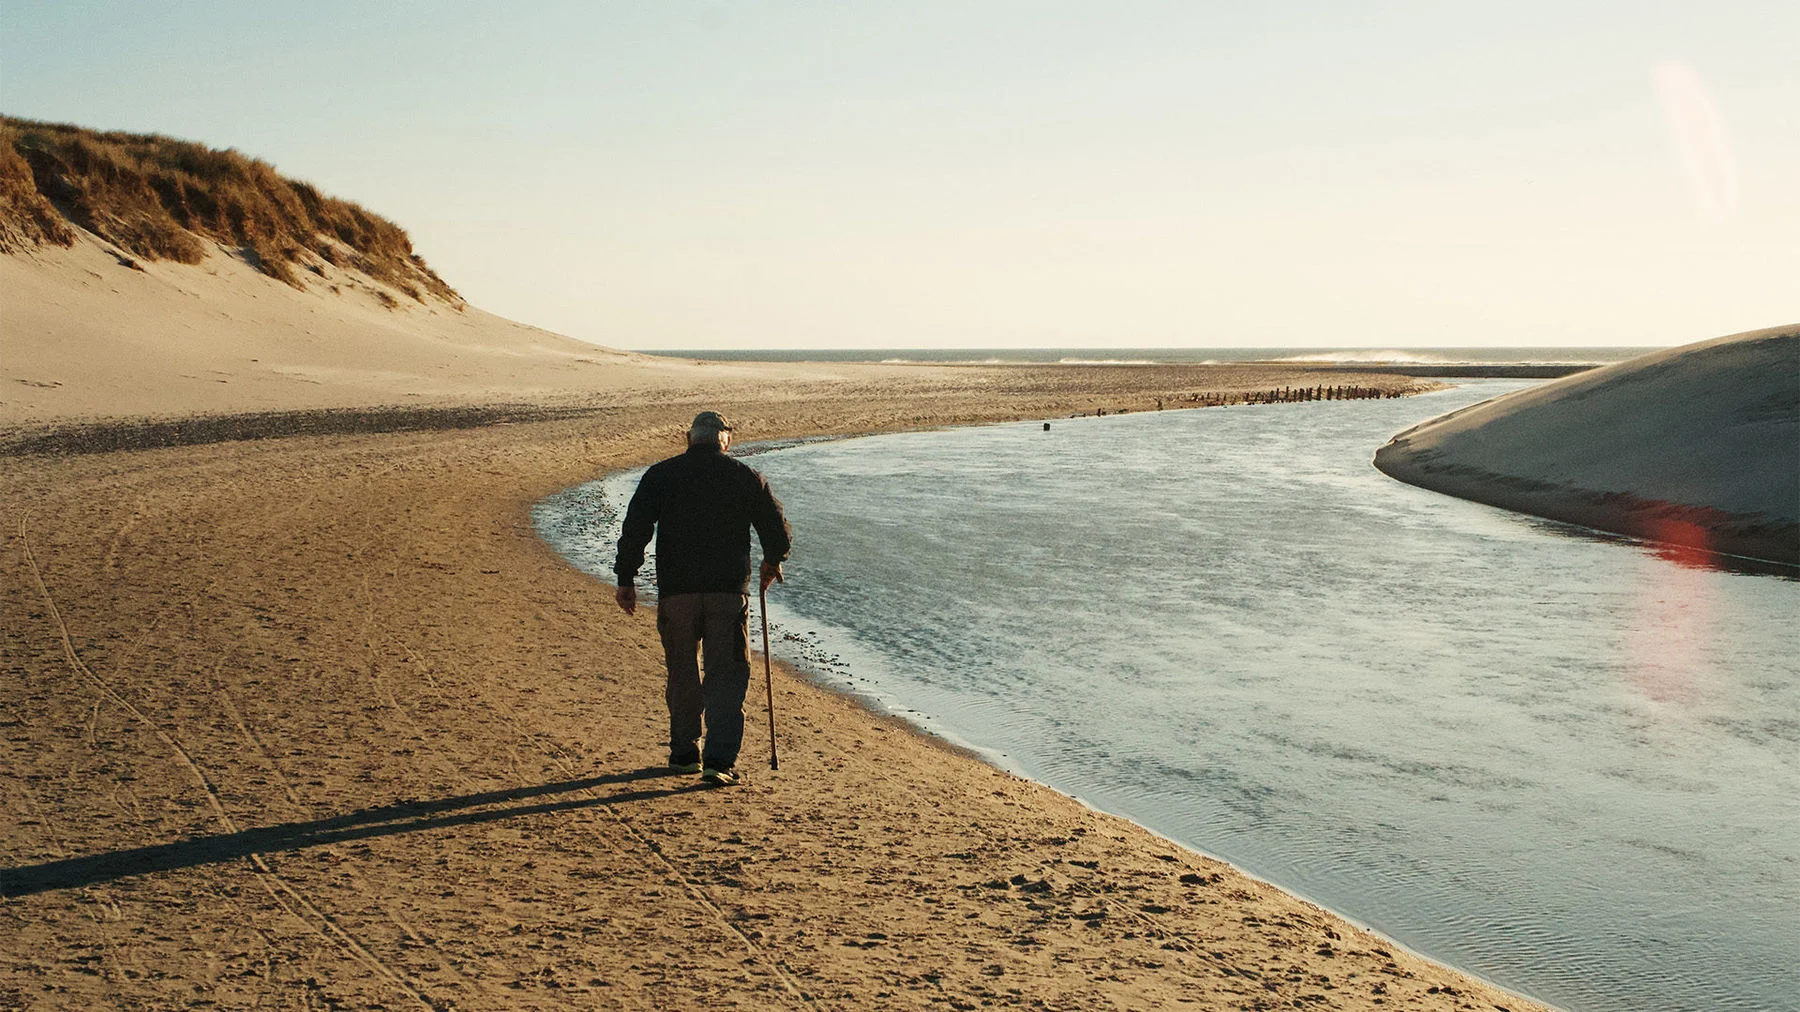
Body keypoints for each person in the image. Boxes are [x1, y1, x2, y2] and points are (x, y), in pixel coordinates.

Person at [613, 411, 792, 786]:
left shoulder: (661, 475)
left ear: (689, 438)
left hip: (677, 592)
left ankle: (684, 754)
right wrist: (772, 561)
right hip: (727, 592)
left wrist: (626, 578)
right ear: (725, 440)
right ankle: (718, 761)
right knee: (725, 675)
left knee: (682, 672)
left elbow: (636, 529)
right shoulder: (745, 477)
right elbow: (776, 530)